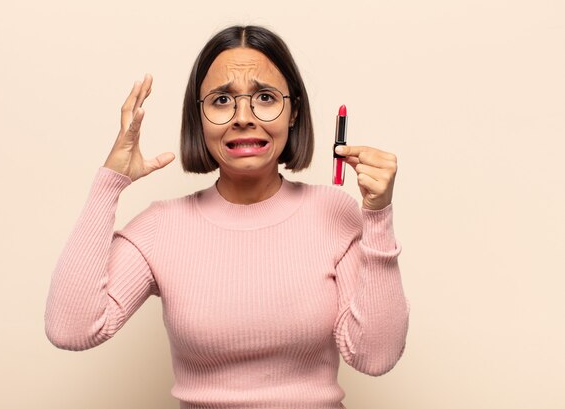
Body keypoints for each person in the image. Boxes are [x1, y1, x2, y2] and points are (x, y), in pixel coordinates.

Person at [45, 25, 409, 409]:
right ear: (198, 118)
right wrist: (109, 183)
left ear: (293, 112)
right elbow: (71, 329)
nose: (243, 117)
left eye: (265, 97)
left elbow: (375, 357)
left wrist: (377, 215)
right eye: (221, 100)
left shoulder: (333, 213)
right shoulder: (161, 227)